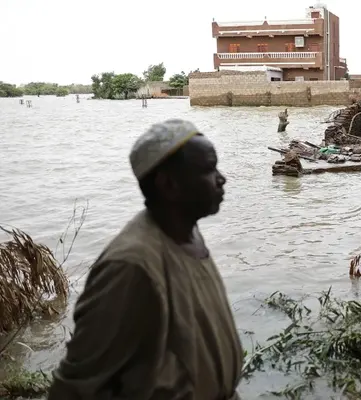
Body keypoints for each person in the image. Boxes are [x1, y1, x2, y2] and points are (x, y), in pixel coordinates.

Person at [48, 119, 243, 400]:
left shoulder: (186, 232)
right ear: (169, 185)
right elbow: (77, 387)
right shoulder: (130, 267)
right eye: (208, 169)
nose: (221, 178)